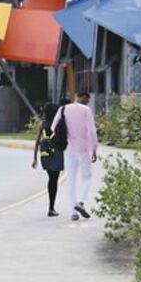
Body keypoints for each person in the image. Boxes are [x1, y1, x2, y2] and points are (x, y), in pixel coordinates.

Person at [52, 91, 97, 221]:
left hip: (68, 149)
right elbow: (91, 130)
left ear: (76, 97)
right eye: (87, 100)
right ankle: (80, 202)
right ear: (84, 99)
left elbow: (53, 127)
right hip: (83, 149)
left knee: (71, 180)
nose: (87, 103)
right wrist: (94, 148)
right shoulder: (86, 110)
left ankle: (73, 213)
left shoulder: (63, 109)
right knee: (87, 177)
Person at [31, 102, 68, 217]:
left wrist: (35, 159)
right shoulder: (59, 123)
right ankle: (51, 208)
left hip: (45, 154)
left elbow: (37, 142)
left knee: (51, 179)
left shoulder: (43, 124)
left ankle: (51, 208)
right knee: (54, 180)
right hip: (56, 152)